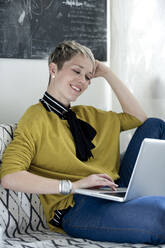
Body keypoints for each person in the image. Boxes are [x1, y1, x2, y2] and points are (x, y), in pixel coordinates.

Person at [1, 40, 165, 245]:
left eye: (88, 77)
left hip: (113, 188)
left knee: (155, 125)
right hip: (78, 206)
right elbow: (10, 176)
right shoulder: (35, 118)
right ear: (53, 69)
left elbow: (138, 118)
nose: (83, 81)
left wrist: (107, 73)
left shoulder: (87, 114)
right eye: (77, 71)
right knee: (159, 214)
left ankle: (142, 198)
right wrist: (74, 185)